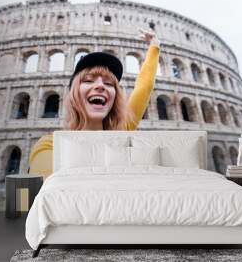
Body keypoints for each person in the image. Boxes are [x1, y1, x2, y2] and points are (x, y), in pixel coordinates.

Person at [29, 28, 161, 177]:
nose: (100, 86)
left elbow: (144, 87)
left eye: (109, 83)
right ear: (74, 94)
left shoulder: (123, 130)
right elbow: (50, 190)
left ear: (115, 97)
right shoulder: (50, 145)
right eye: (88, 80)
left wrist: (154, 47)